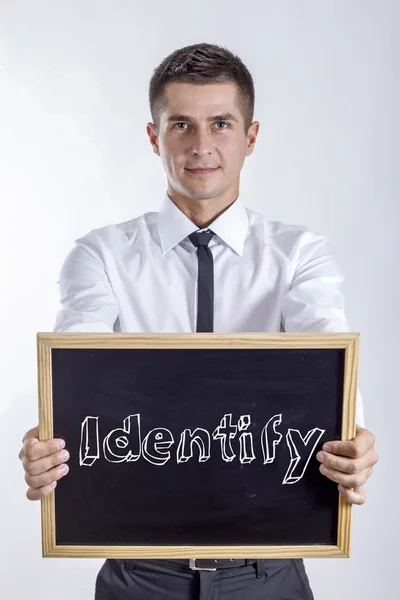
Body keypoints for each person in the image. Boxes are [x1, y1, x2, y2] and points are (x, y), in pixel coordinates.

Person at [18, 42, 378, 600]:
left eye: (221, 124)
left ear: (251, 137)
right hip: (141, 575)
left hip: (268, 574)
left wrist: (354, 438)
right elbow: (75, 369)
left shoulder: (300, 256)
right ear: (153, 136)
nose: (201, 145)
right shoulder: (101, 256)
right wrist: (51, 437)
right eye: (181, 124)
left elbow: (327, 355)